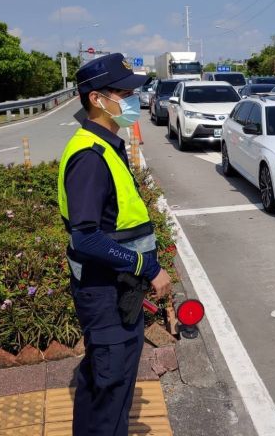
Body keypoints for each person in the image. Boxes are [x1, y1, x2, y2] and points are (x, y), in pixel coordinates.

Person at [57, 53, 172, 436]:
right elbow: (86, 237)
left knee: (111, 384)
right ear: (96, 98)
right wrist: (149, 268)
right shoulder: (90, 156)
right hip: (104, 293)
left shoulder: (107, 144)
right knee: (109, 387)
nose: (132, 101)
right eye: (124, 93)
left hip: (117, 290)